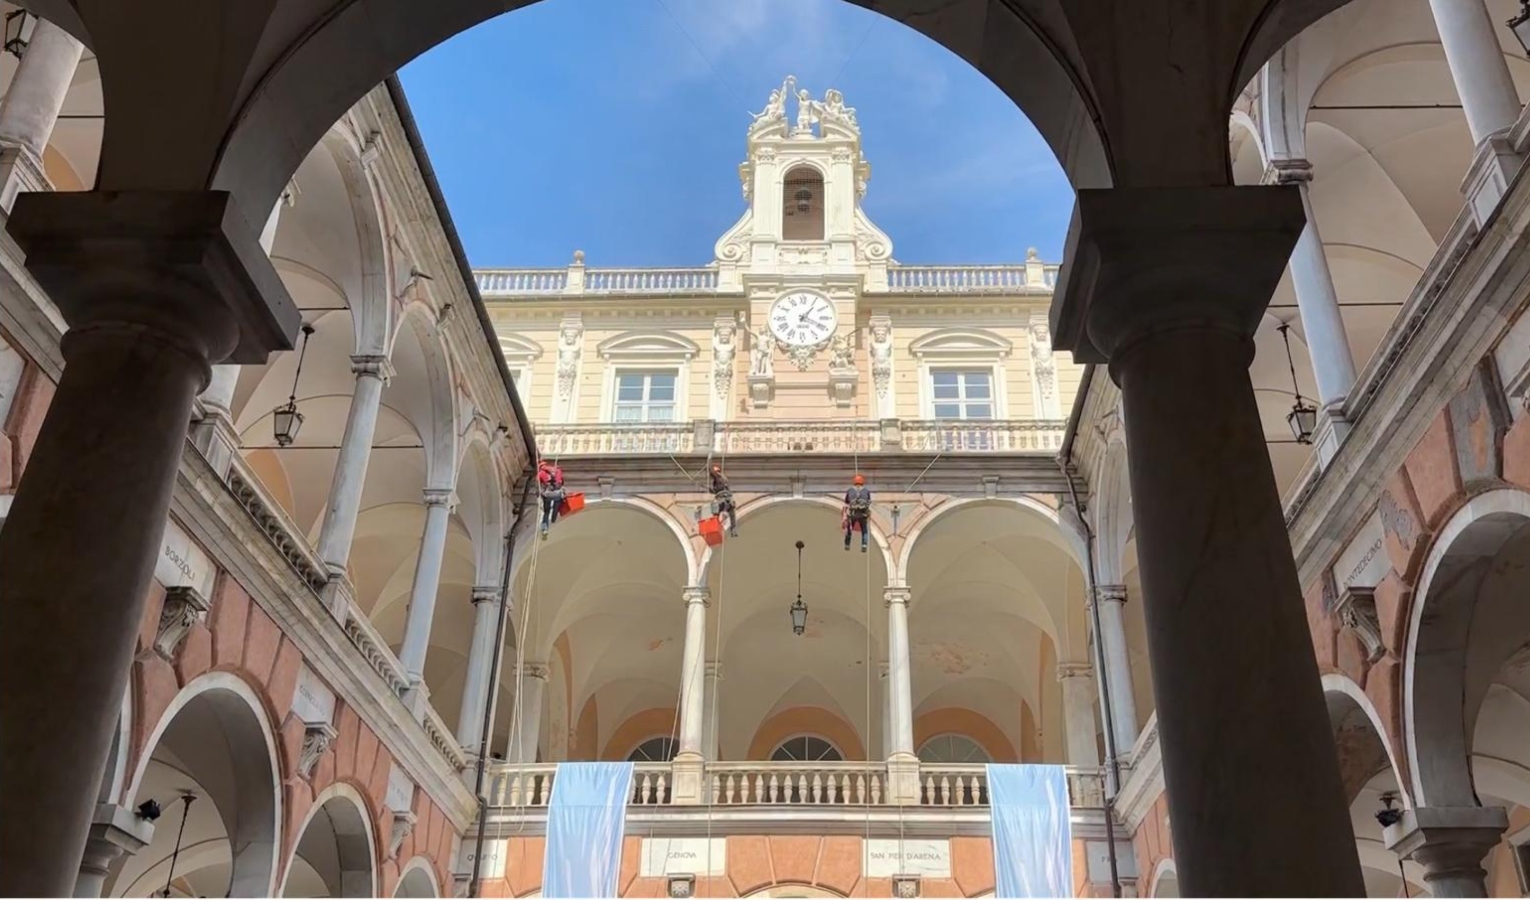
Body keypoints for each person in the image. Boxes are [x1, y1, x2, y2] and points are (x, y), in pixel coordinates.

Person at [843, 474, 871, 552]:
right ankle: (864, 544)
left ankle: (847, 544)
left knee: (849, 528)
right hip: (862, 513)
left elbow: (846, 501)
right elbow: (869, 501)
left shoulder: (850, 490)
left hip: (853, 513)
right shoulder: (866, 490)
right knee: (864, 529)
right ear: (862, 482)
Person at [537, 458, 565, 538]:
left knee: (546, 511)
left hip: (547, 495)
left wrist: (539, 495)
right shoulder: (557, 470)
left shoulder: (540, 473)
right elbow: (562, 481)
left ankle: (544, 529)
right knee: (557, 505)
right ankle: (553, 519)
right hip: (557, 493)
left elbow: (537, 485)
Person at [708, 464, 738, 537]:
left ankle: (715, 528)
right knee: (732, 514)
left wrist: (709, 461)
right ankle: (733, 531)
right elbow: (719, 489)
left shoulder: (718, 476)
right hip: (728, 500)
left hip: (722, 500)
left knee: (715, 511)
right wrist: (712, 490)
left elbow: (711, 471)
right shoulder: (724, 479)